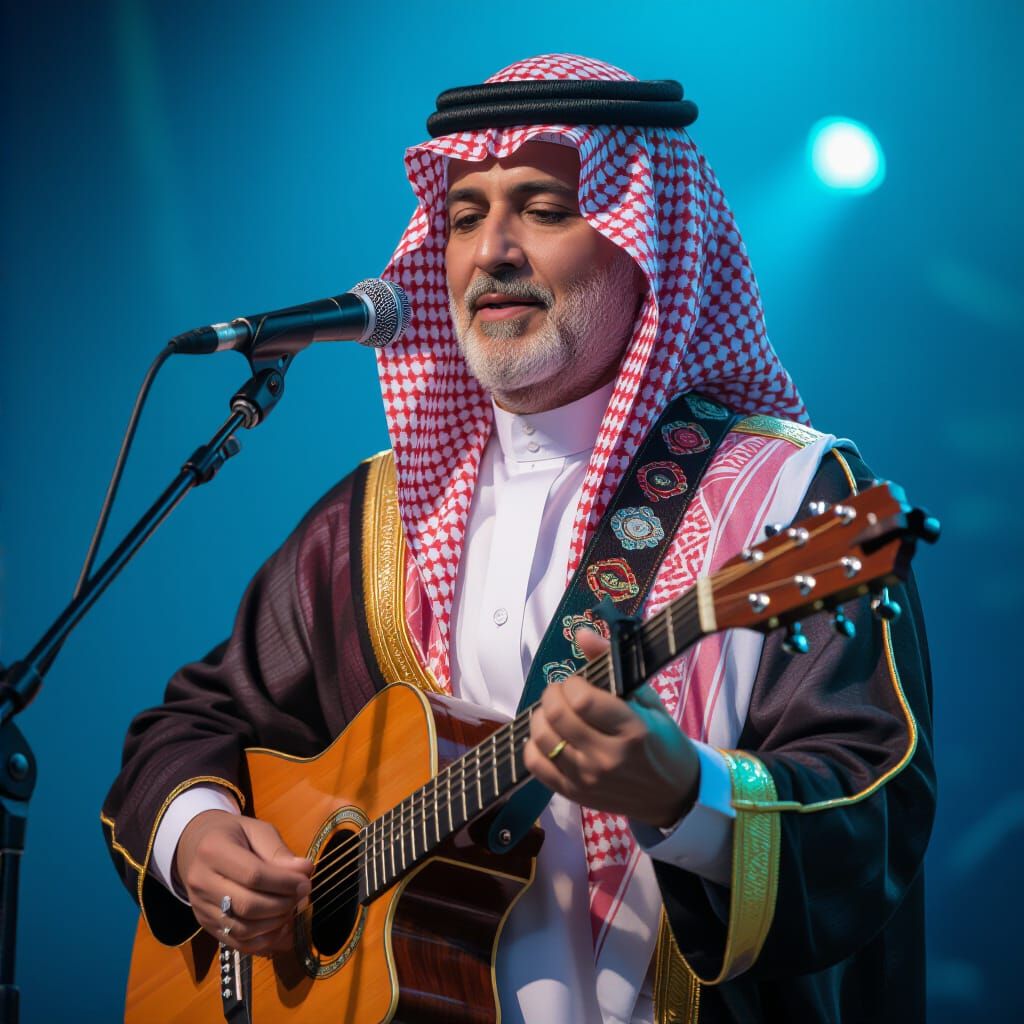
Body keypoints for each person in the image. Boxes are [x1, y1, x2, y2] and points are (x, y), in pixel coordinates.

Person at [101, 54, 934, 1023]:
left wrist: (687, 793)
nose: (491, 249)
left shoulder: (787, 497)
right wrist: (199, 838)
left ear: (646, 241)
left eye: (542, 208)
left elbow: (872, 812)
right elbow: (194, 723)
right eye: (463, 217)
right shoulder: (373, 521)